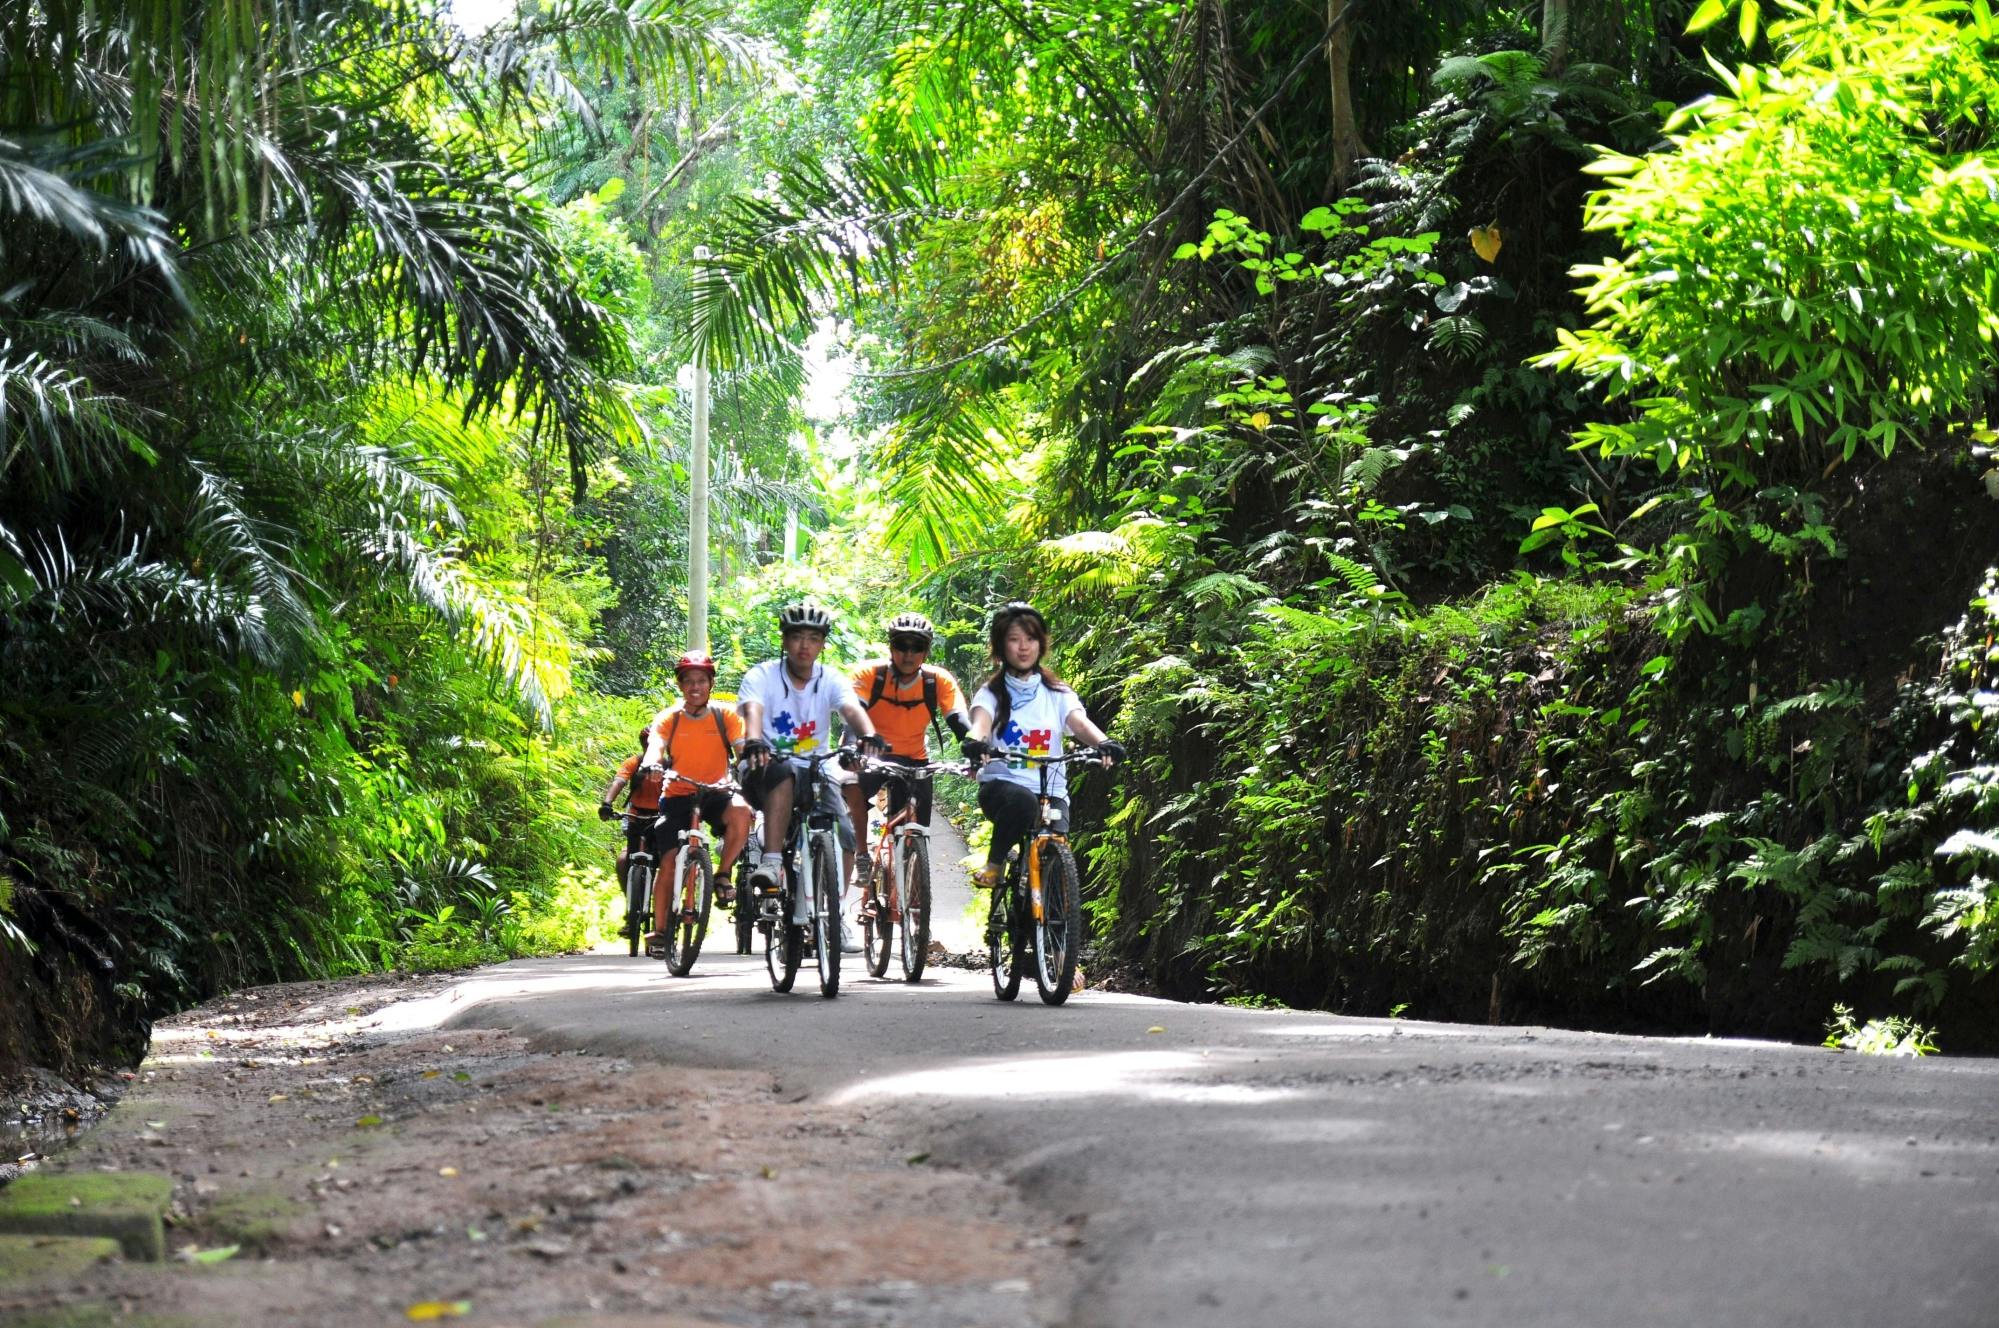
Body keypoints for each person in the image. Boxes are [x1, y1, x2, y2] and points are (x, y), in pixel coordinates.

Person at [736, 600, 888, 951]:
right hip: (765, 765)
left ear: (822, 644)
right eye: (797, 637)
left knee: (846, 834)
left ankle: (833, 914)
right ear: (785, 641)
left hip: (817, 770)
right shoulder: (762, 675)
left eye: (813, 638)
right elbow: (753, 710)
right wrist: (755, 739)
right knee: (784, 771)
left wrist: (866, 734)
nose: (805, 645)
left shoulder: (830, 679)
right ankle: (772, 862)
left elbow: (851, 709)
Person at [960, 601, 1125, 887]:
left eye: (1031, 638)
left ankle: (1052, 922)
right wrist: (976, 743)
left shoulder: (1057, 692)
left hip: (1052, 792)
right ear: (1001, 647)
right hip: (1003, 788)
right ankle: (995, 864)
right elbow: (981, 725)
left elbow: (1078, 723)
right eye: (1014, 639)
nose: (1023, 647)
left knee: (1057, 862)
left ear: (1041, 644)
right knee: (1022, 803)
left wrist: (1104, 742)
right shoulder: (991, 693)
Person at [844, 611, 970, 883]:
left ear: (927, 651)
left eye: (917, 647)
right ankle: (862, 855)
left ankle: (911, 889)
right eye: (902, 645)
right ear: (891, 647)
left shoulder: (937, 680)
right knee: (851, 784)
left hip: (914, 759)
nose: (908, 654)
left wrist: (975, 747)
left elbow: (958, 719)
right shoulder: (870, 675)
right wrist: (852, 747)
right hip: (871, 756)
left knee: (914, 834)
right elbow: (854, 713)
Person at [637, 652, 753, 931]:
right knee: (668, 863)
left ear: (711, 683)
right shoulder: (669, 717)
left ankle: (723, 874)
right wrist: (652, 763)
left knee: (742, 811)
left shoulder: (725, 715)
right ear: (680, 685)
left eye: (701, 680)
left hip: (716, 791)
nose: (695, 687)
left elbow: (741, 748)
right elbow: (656, 746)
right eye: (688, 681)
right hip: (678, 793)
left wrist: (748, 762)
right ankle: (660, 930)